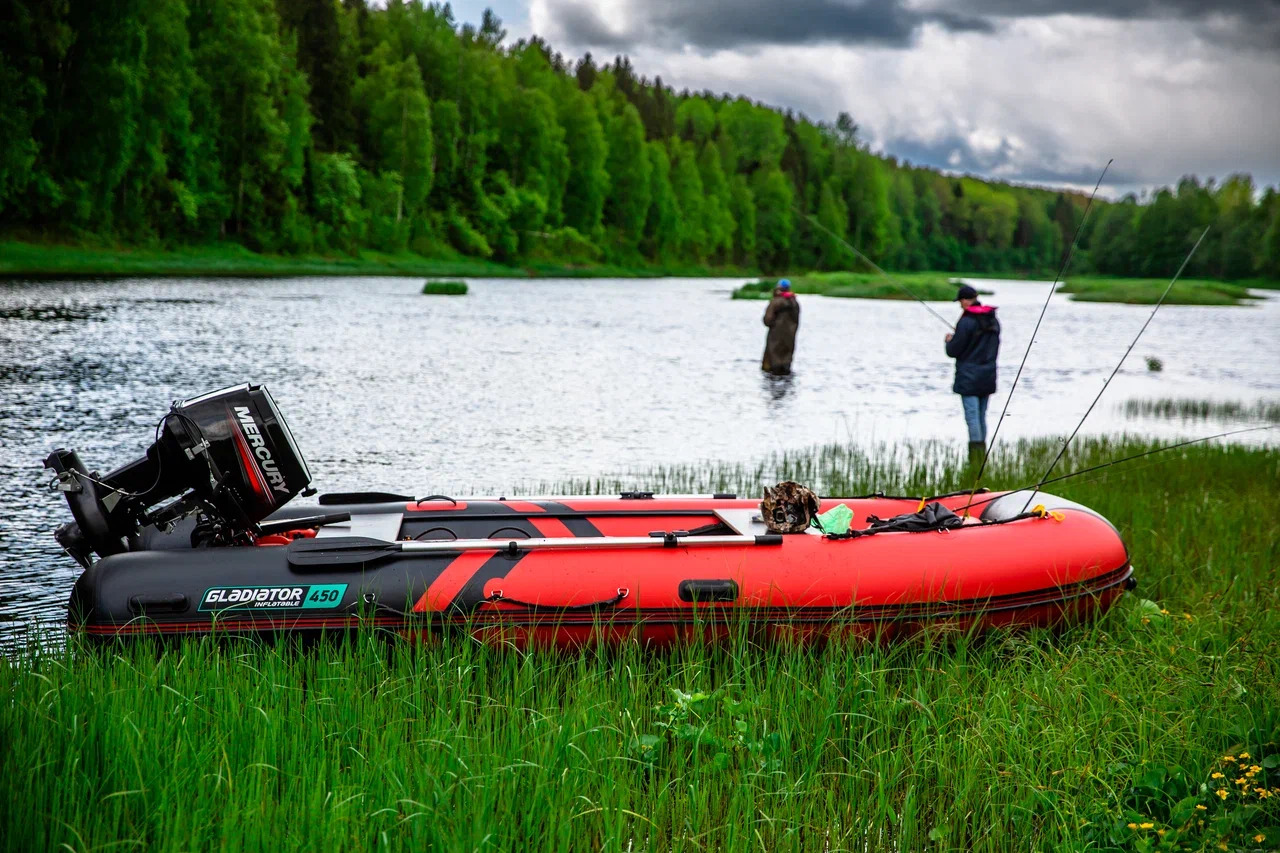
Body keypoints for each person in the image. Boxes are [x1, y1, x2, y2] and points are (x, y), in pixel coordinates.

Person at [944, 284, 1001, 462]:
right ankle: (981, 457)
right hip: (988, 374)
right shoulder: (993, 320)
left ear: (966, 300)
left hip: (969, 376)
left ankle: (975, 457)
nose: (960, 305)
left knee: (972, 416)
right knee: (981, 415)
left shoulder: (966, 321)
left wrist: (949, 341)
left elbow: (953, 351)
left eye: (960, 301)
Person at [762, 279, 800, 375]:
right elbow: (796, 319)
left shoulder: (775, 301)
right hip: (790, 335)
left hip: (775, 335)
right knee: (786, 357)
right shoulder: (795, 302)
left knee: (773, 357)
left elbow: (767, 320)